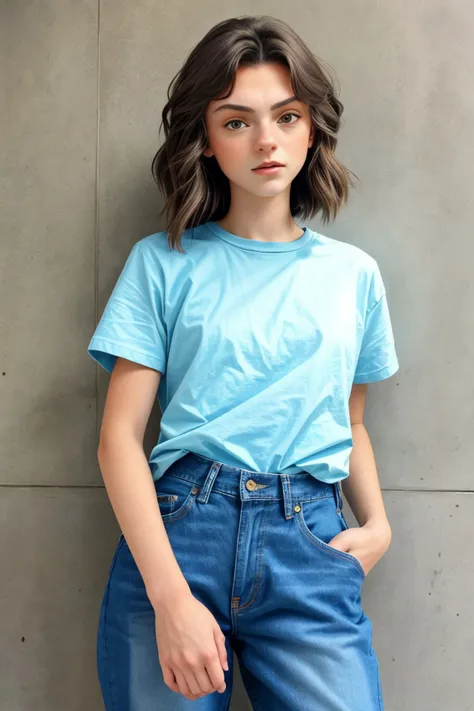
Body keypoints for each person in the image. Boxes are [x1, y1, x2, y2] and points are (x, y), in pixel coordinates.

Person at [87, 14, 399, 711]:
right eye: (236, 121)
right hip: (178, 539)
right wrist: (170, 599)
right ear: (204, 140)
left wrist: (377, 524)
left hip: (310, 544)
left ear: (310, 127)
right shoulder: (160, 264)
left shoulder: (353, 276)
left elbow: (351, 421)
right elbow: (117, 439)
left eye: (286, 116)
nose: (266, 140)